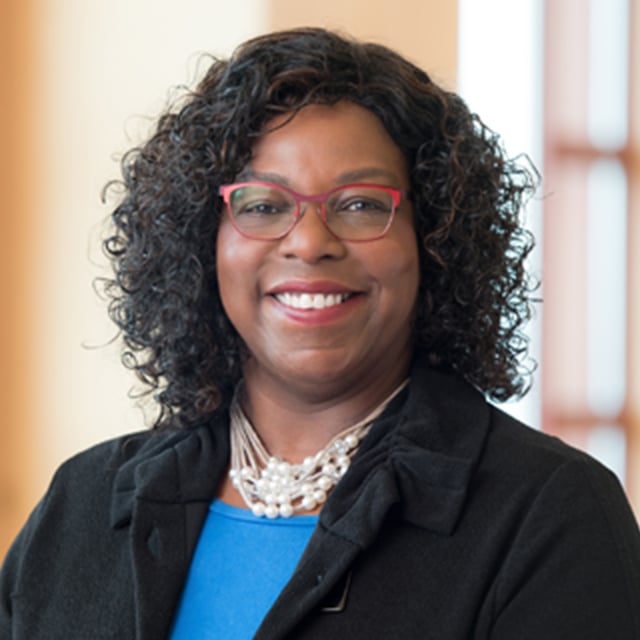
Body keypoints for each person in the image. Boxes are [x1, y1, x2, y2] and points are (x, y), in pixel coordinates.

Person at [1, 27, 639, 639]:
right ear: (202, 242)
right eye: (263, 206)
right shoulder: (83, 502)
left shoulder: (549, 514)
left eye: (360, 204)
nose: (309, 243)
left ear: (434, 240)